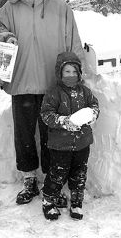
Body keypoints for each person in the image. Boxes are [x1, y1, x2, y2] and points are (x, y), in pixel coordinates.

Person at [0, 0, 85, 207]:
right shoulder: (11, 7)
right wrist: (5, 36)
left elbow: (73, 41)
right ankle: (28, 179)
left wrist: (77, 73)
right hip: (21, 81)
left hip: (51, 85)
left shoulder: (60, 8)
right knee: (24, 133)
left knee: (52, 135)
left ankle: (51, 180)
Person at [41, 51, 99, 221]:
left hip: (82, 143)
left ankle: (76, 202)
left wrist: (93, 115)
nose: (71, 75)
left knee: (79, 173)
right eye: (67, 71)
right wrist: (63, 121)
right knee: (57, 173)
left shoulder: (85, 92)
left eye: (74, 72)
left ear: (79, 73)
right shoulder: (54, 93)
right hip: (60, 144)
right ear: (60, 73)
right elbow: (46, 114)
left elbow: (94, 105)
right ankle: (49, 201)